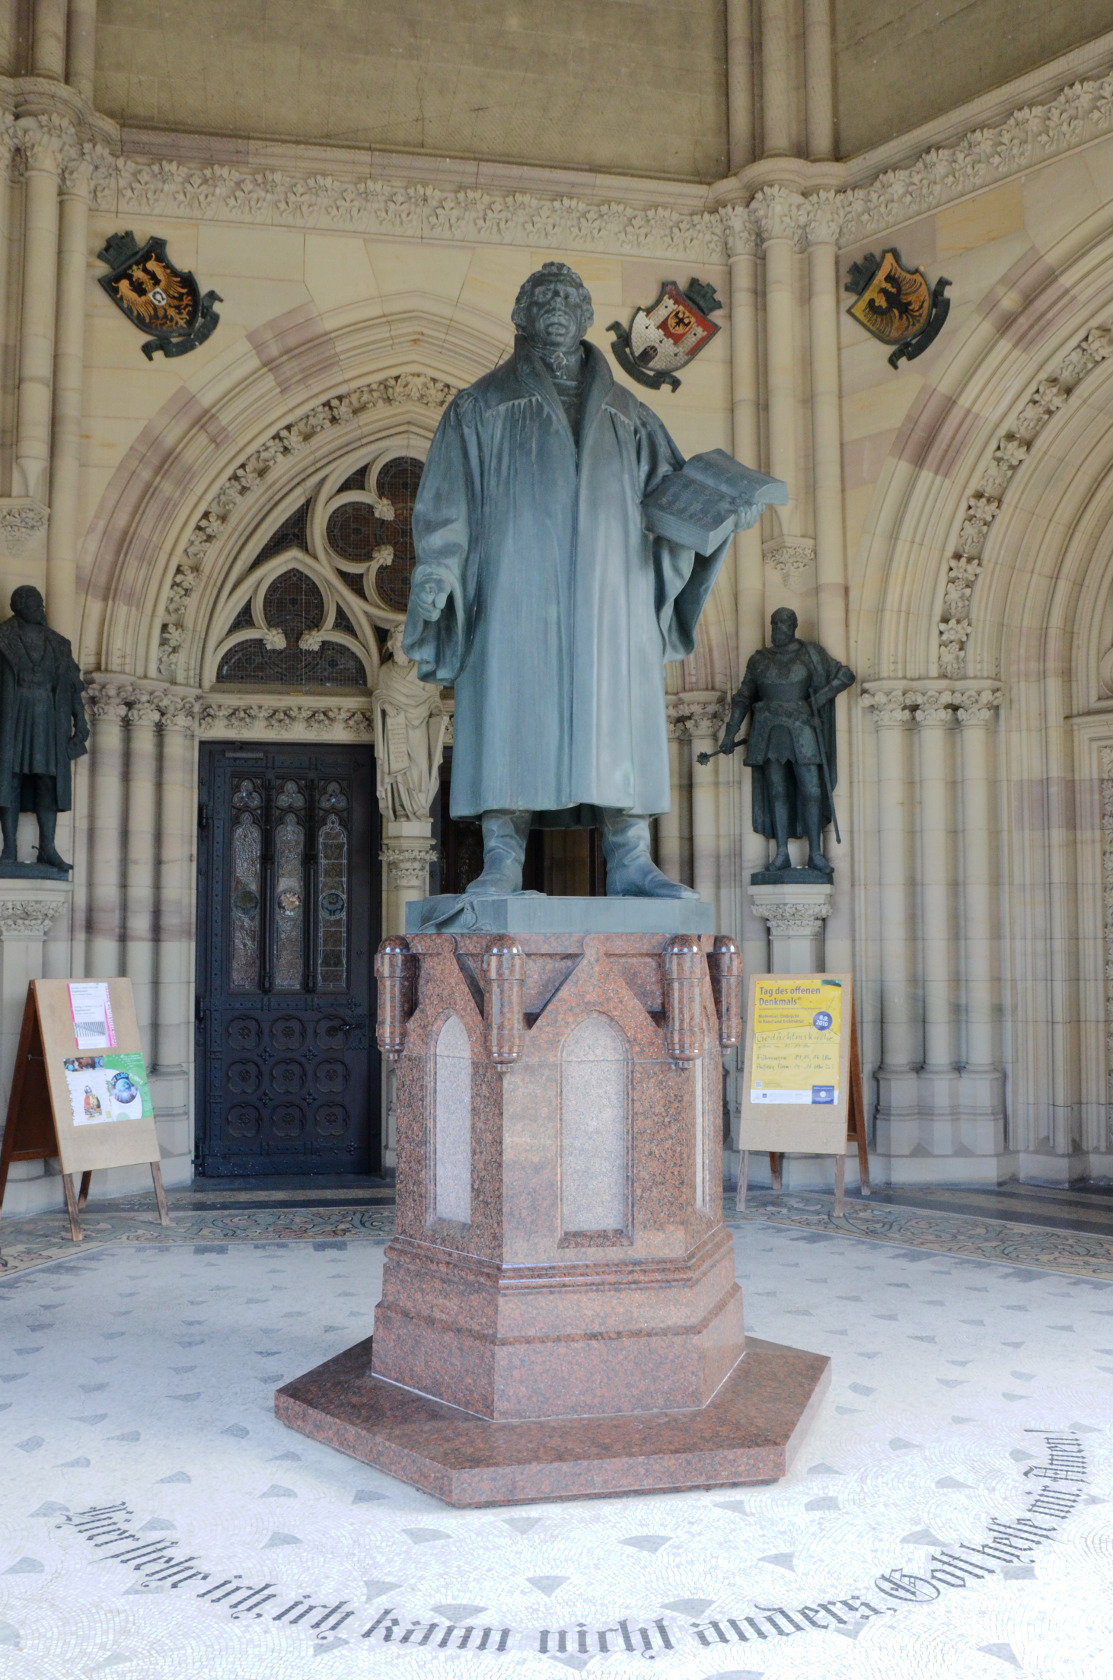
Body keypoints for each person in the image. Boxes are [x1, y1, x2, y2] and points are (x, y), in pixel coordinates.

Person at [403, 262, 754, 898]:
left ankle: (631, 858)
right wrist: (437, 566)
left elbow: (673, 503)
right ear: (520, 315)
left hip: (610, 596)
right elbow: (445, 501)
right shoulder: (479, 407)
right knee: (510, 713)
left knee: (618, 715)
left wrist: (725, 510)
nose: (557, 305)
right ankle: (502, 858)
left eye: (569, 296)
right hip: (512, 593)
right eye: (543, 296)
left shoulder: (630, 413)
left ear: (588, 316)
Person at [718, 606, 854, 874]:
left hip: (802, 726)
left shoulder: (811, 654)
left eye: (782, 624)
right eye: (773, 624)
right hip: (768, 729)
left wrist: (820, 697)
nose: (776, 629)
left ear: (793, 626)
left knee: (812, 789)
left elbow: (846, 676)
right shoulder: (758, 660)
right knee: (777, 792)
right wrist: (729, 733)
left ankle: (815, 853)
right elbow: (744, 696)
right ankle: (781, 853)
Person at [0, 585, 88, 871]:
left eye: (40, 604)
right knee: (10, 779)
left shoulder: (58, 644)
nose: (40, 609)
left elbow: (74, 685)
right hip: (13, 715)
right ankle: (9, 847)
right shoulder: (3, 637)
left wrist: (81, 722)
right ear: (19, 607)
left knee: (47, 781)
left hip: (50, 719)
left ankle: (47, 848)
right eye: (33, 605)